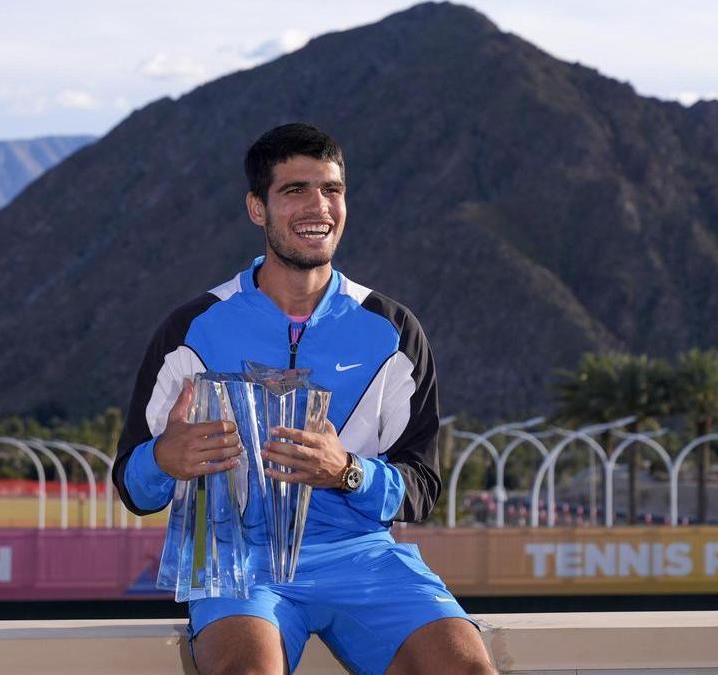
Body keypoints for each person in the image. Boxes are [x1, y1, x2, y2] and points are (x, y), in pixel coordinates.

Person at [113, 123, 495, 674]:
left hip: (361, 556)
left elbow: (422, 488)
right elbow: (132, 484)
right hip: (238, 561)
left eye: (331, 189)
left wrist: (348, 472)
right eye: (295, 190)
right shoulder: (193, 329)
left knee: (468, 671)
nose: (318, 205)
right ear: (257, 208)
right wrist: (163, 460)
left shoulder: (391, 331)